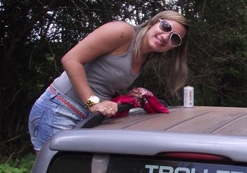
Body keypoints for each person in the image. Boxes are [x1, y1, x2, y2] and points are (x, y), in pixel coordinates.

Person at [28, 10, 189, 153]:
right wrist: (92, 103)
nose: (166, 36)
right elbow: (71, 59)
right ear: (154, 23)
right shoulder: (122, 32)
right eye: (166, 27)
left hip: (89, 118)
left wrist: (127, 96)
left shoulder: (145, 57)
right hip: (60, 110)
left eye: (174, 38)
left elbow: (102, 81)